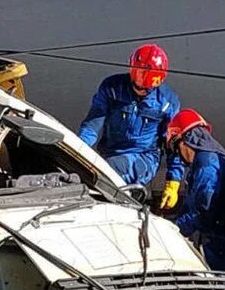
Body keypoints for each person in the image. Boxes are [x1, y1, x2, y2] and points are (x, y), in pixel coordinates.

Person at [78, 43, 183, 206]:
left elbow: (173, 145)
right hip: (109, 152)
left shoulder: (167, 102)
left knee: (108, 172)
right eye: (138, 86)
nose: (141, 91)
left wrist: (173, 181)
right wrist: (78, 149)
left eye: (146, 89)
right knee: (91, 172)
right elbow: (93, 123)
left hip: (144, 157)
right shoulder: (112, 88)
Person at [164, 108, 225, 272]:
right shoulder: (204, 163)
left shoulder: (207, 164)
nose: (178, 155)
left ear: (185, 140)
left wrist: (171, 232)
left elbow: (202, 208)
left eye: (176, 147)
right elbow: (192, 207)